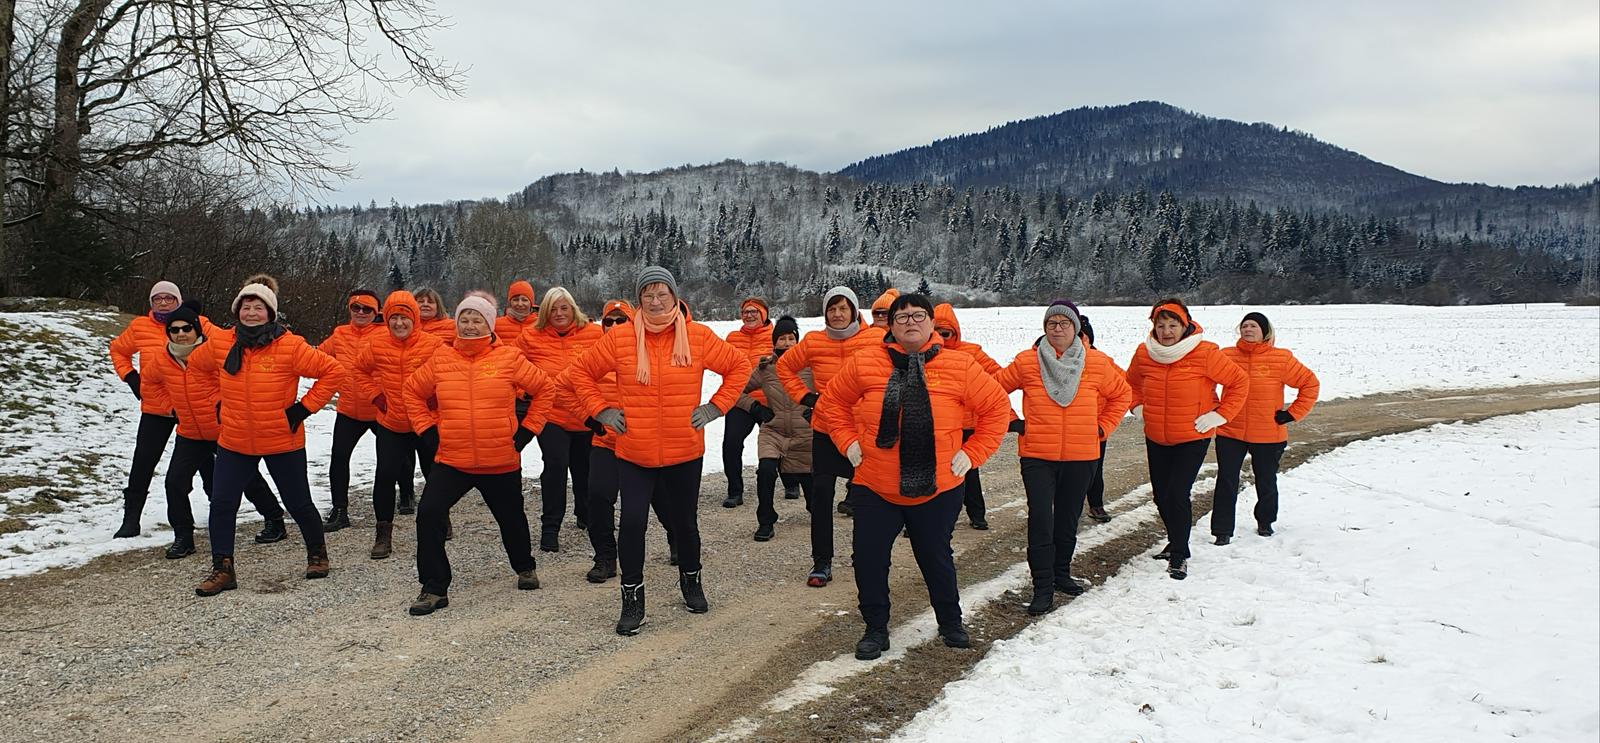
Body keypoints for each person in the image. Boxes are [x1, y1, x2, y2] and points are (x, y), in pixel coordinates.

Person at [819, 293, 1011, 660]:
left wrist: (972, 454)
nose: (910, 322)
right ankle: (875, 628)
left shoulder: (961, 366)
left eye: (917, 315)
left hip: (938, 485)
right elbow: (832, 404)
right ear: (890, 325)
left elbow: (996, 409)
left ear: (930, 322)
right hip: (875, 484)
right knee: (870, 559)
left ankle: (951, 622)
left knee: (935, 555)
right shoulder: (866, 362)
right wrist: (847, 442)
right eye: (901, 316)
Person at [568, 267, 750, 636]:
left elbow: (739, 366)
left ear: (674, 297)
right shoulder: (619, 338)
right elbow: (579, 373)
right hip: (634, 451)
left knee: (684, 523)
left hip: (684, 451)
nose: (654, 301)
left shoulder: (697, 336)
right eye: (647, 294)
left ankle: (691, 581)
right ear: (639, 300)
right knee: (633, 522)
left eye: (661, 294)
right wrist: (601, 410)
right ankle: (632, 598)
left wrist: (715, 407)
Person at [189, 275, 345, 596]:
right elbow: (196, 369)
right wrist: (216, 402)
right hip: (235, 440)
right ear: (237, 311)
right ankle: (223, 569)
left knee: (298, 502)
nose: (250, 313)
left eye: (258, 307)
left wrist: (302, 410)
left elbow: (333, 371)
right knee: (222, 503)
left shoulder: (290, 346)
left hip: (281, 439)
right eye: (245, 306)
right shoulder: (221, 343)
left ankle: (317, 553)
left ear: (270, 313)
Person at [403, 294, 553, 615]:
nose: (470, 327)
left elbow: (545, 389)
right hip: (452, 460)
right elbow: (412, 391)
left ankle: (524, 566)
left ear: (489, 323)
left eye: (477, 320)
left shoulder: (509, 358)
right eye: (464, 320)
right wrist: (428, 432)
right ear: (456, 323)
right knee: (429, 514)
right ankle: (433, 587)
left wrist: (526, 433)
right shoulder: (441, 359)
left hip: (500, 459)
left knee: (511, 518)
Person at [995, 302, 1131, 615]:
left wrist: (1103, 427)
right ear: (1044, 327)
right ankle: (1042, 586)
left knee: (1068, 519)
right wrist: (1013, 422)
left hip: (1082, 455)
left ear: (1076, 328)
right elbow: (992, 389)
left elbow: (1121, 394)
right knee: (1041, 518)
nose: (1058, 328)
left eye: (1064, 323)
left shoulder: (1096, 362)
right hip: (1037, 455)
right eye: (1051, 322)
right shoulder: (1027, 361)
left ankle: (1061, 574)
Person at [143, 300, 287, 558]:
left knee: (247, 479)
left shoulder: (215, 351)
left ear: (197, 329)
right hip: (188, 432)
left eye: (187, 328)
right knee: (175, 483)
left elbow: (239, 380)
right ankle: (183, 537)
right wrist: (171, 408)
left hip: (222, 429)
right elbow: (149, 384)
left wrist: (223, 406)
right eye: (174, 330)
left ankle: (274, 518)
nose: (181, 334)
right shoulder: (162, 358)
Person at [1125, 298, 1248, 581]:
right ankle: (1175, 539)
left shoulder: (1204, 353)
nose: (1167, 331)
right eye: (1161, 325)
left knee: (1177, 493)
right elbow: (1130, 384)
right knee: (1160, 495)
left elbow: (1238, 382)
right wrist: (1137, 405)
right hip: (1156, 434)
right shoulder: (1145, 353)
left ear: (1185, 326)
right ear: (1153, 327)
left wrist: (1221, 415)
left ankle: (1180, 554)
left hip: (1193, 434)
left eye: (1173, 325)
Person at [775, 286, 886, 587]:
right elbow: (784, 367)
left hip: (864, 430)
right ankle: (821, 561)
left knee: (865, 497)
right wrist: (806, 397)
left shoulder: (875, 338)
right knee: (821, 495)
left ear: (854, 310)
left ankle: (863, 555)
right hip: (826, 428)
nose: (837, 314)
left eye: (843, 308)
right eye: (831, 309)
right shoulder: (813, 342)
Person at [571, 300, 675, 583]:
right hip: (606, 441)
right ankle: (605, 557)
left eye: (621, 321)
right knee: (598, 496)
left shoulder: (647, 351)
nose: (615, 326)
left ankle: (676, 538)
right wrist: (592, 418)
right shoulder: (593, 356)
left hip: (644, 443)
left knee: (661, 498)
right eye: (609, 321)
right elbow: (566, 387)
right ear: (602, 324)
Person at [347, 291, 444, 559]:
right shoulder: (377, 345)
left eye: (404, 317)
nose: (399, 323)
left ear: (415, 318)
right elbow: (358, 370)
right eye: (394, 318)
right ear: (387, 320)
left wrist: (436, 397)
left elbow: (449, 372)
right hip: (392, 423)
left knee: (434, 474)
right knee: (385, 476)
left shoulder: (434, 345)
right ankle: (383, 533)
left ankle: (440, 518)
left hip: (425, 422)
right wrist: (376, 396)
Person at [108, 280, 204, 537]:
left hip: (192, 406)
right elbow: (118, 350)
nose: (163, 302)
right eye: (157, 299)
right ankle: (131, 520)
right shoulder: (140, 326)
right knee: (143, 463)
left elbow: (221, 347)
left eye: (169, 298)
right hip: (156, 407)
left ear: (178, 301)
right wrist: (131, 378)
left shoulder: (194, 322)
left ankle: (221, 510)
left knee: (208, 462)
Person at [1213, 312, 1319, 542]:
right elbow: (1205, 382)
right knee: (1226, 480)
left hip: (1268, 432)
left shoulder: (1280, 359)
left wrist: (1292, 413)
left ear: (1265, 331)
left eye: (1253, 326)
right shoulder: (1226, 356)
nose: (1248, 330)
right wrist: (1215, 410)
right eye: (1244, 326)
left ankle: (1265, 522)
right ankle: (1222, 531)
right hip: (1230, 430)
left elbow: (1310, 384)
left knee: (1266, 480)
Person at [517, 286, 603, 552]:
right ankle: (550, 527)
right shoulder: (531, 336)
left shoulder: (593, 333)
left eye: (564, 307)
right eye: (553, 309)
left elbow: (611, 363)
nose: (559, 313)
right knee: (555, 464)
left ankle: (586, 515)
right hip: (550, 414)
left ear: (573, 309)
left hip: (584, 414)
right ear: (544, 312)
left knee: (584, 468)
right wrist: (525, 390)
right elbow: (511, 366)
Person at [735, 315, 813, 542]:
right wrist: (756, 408)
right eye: (782, 339)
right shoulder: (766, 369)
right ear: (774, 342)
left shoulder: (810, 367)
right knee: (766, 471)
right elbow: (735, 391)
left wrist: (817, 408)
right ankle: (766, 520)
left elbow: (834, 389)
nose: (787, 343)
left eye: (791, 338)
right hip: (774, 430)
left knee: (811, 489)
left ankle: (813, 507)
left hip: (803, 432)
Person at [931, 303, 1007, 531]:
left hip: (967, 425)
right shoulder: (926, 354)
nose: (942, 338)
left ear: (956, 332)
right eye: (937, 332)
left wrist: (976, 395)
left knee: (968, 472)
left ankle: (977, 514)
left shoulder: (971, 353)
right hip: (938, 424)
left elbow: (998, 379)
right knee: (935, 471)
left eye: (946, 333)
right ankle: (928, 516)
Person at [316, 289, 384, 529]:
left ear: (376, 312)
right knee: (339, 458)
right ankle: (340, 510)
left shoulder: (386, 334)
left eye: (367, 309)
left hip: (379, 409)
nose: (361, 313)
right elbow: (315, 357)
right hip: (348, 410)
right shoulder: (339, 334)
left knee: (394, 460)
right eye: (356, 308)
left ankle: (404, 496)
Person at [720, 297, 773, 508]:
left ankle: (791, 481)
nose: (749, 315)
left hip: (769, 401)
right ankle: (735, 489)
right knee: (731, 443)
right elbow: (725, 366)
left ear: (764, 314)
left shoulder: (775, 336)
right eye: (746, 311)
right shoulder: (732, 337)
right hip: (740, 400)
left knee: (780, 443)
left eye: (754, 311)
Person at [1078, 313, 1117, 523]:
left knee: (1095, 468)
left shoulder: (1103, 361)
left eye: (1084, 336)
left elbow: (1123, 387)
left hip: (1096, 427)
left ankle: (1096, 504)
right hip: (1071, 426)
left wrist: (1105, 424)